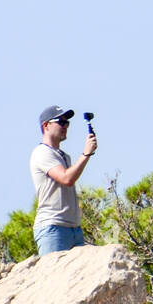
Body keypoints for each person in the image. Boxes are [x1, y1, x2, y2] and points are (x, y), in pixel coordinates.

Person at [30, 105, 96, 255]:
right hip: (53, 227)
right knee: (53, 277)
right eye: (61, 121)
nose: (65, 126)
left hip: (73, 228)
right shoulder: (42, 152)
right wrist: (86, 154)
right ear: (46, 125)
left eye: (67, 123)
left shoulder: (64, 156)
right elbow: (66, 178)